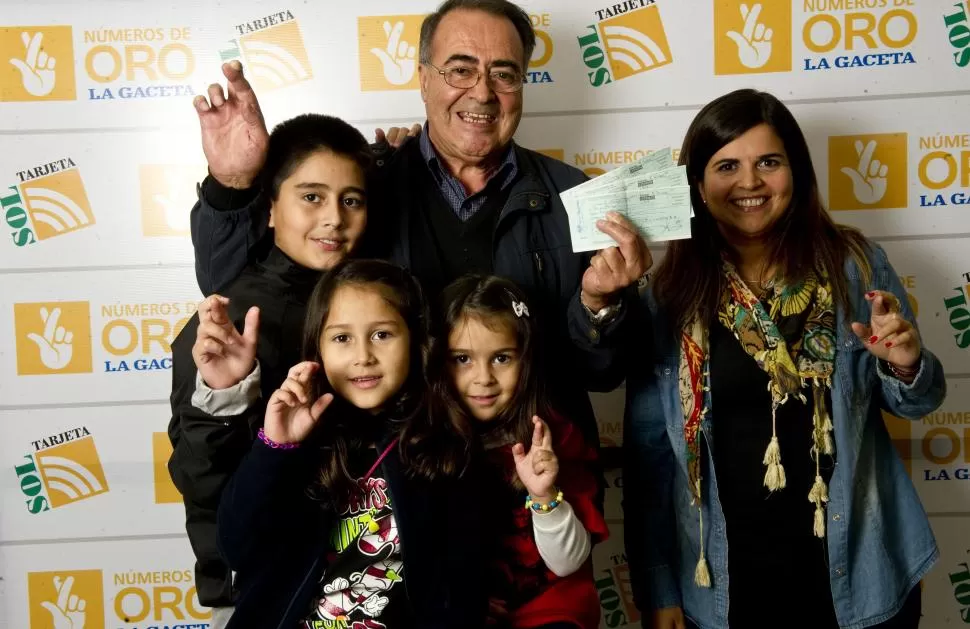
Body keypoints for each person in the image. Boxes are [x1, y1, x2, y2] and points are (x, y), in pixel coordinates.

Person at [186, 0, 652, 450]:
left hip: (534, 477)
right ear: (424, 80)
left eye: (504, 74)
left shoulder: (575, 196)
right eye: (461, 69)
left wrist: (601, 305)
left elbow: (601, 374)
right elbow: (232, 284)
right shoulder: (366, 186)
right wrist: (232, 186)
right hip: (399, 477)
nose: (483, 92)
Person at [622, 89, 946, 629]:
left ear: (795, 172)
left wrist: (905, 364)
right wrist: (658, 587)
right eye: (727, 165)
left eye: (768, 162)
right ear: (697, 186)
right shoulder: (669, 295)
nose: (749, 182)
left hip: (858, 573)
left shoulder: (855, 266)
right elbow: (650, 456)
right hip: (725, 585)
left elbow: (916, 403)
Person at [167, 113, 373, 626]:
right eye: (311, 197)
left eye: (351, 200)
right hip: (260, 589)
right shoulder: (229, 319)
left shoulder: (371, 305)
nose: (333, 218)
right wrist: (225, 394)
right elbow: (199, 479)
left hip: (360, 583)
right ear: (272, 209)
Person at [217, 259, 485, 629]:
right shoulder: (296, 434)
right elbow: (237, 548)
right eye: (342, 338)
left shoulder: (444, 443)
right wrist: (275, 449)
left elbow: (462, 586)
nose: (363, 356)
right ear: (318, 349)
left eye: (382, 335)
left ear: (416, 341)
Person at [430, 274, 608, 629]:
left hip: (551, 609)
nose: (483, 378)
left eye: (501, 358)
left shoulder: (553, 437)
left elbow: (568, 562)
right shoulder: (426, 441)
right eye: (462, 359)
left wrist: (544, 497)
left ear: (525, 360)